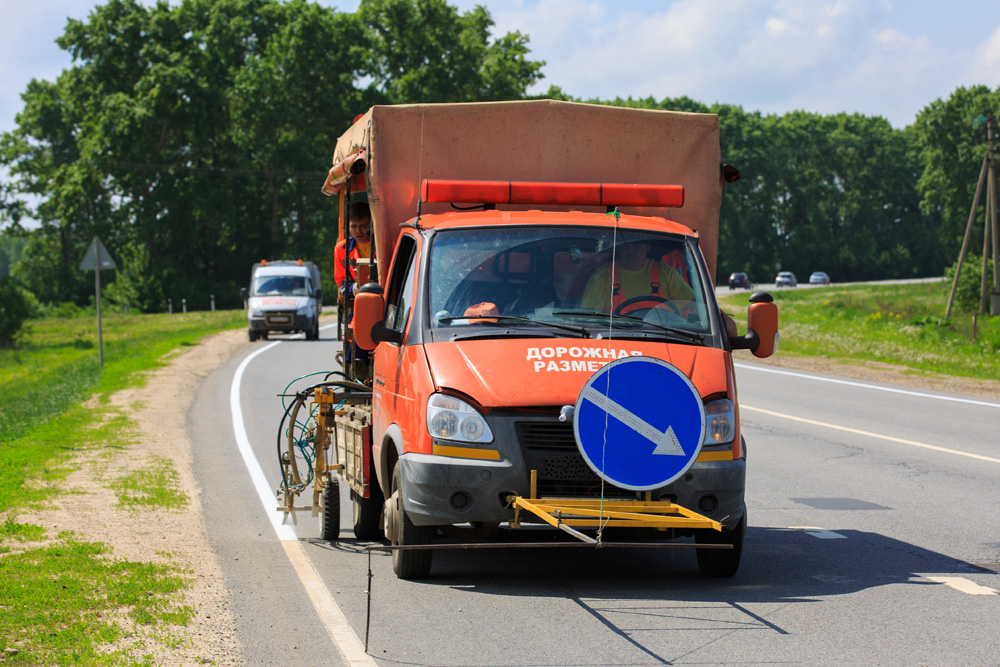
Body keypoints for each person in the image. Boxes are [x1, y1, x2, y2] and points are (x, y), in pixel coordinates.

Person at [581, 240, 695, 315]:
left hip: (662, 338)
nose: (630, 249)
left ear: (647, 246)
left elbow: (695, 306)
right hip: (615, 340)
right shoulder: (603, 275)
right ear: (619, 248)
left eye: (636, 244)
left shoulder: (666, 272)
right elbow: (588, 316)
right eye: (625, 244)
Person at [334, 201, 372, 295]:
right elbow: (341, 280)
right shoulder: (342, 249)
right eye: (354, 226)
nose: (358, 231)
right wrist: (354, 288)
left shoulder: (384, 244)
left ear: (371, 224)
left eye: (363, 226)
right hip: (357, 299)